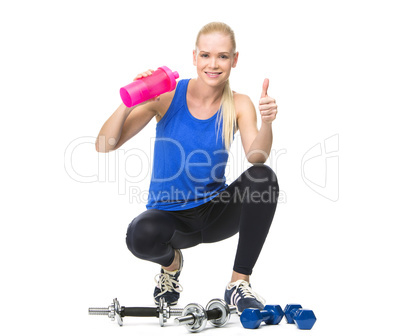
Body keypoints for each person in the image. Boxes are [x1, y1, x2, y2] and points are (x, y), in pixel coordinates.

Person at [95, 22, 279, 314]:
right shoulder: (167, 96)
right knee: (139, 235)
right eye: (206, 55)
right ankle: (172, 266)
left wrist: (267, 122)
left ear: (234, 60)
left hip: (215, 213)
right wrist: (131, 100)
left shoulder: (240, 103)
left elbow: (256, 156)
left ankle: (237, 284)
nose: (213, 64)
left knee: (263, 179)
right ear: (194, 57)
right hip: (171, 219)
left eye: (223, 56)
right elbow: (105, 144)